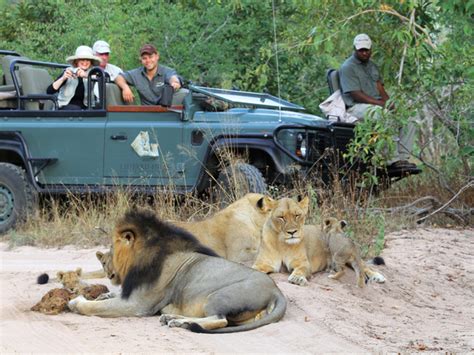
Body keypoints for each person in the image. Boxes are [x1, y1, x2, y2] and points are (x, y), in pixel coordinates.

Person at [339, 34, 416, 168]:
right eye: (361, 50)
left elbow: (380, 89)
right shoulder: (348, 67)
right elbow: (356, 95)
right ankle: (390, 160)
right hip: (356, 107)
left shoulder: (372, 66)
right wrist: (381, 105)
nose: (364, 52)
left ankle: (403, 158)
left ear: (371, 49)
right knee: (383, 115)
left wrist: (391, 104)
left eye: (366, 50)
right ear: (355, 49)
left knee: (408, 118)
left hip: (375, 105)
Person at [114, 44, 182, 105]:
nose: (148, 61)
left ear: (157, 56)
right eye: (144, 58)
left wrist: (175, 83)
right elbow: (118, 78)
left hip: (164, 112)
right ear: (141, 59)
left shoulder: (166, 71)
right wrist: (125, 88)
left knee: (183, 92)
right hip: (145, 113)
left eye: (150, 57)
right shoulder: (137, 73)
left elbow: (173, 77)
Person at [47, 45, 101, 110]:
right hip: (66, 107)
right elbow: (49, 91)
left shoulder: (93, 72)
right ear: (76, 61)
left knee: (100, 108)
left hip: (86, 107)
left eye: (88, 60)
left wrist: (86, 76)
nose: (85, 62)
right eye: (82, 59)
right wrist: (63, 78)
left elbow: (105, 76)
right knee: (76, 109)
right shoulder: (68, 72)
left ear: (91, 62)